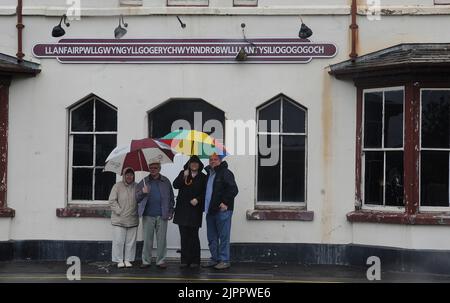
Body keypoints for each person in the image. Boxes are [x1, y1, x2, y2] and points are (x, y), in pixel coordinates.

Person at [135, 161, 175, 269]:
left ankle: (160, 261)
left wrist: (171, 211)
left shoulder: (165, 181)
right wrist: (143, 192)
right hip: (148, 215)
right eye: (151, 167)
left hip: (162, 215)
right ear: (149, 169)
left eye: (155, 167)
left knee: (162, 240)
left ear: (159, 168)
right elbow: (136, 198)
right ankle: (146, 261)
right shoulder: (144, 182)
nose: (153, 169)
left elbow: (171, 198)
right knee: (147, 240)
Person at [202, 153, 239, 270]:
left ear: (220, 160)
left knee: (223, 237)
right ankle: (215, 259)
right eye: (210, 159)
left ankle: (224, 260)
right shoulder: (209, 174)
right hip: (210, 210)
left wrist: (225, 203)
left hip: (222, 211)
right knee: (212, 237)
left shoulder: (226, 173)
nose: (212, 161)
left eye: (215, 159)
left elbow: (233, 189)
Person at [173, 155, 207, 269]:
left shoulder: (203, 177)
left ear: (199, 165)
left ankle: (195, 261)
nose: (194, 165)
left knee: (193, 236)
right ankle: (184, 260)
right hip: (182, 210)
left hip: (195, 210)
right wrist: (183, 177)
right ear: (189, 164)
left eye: (196, 163)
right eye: (192, 163)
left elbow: (205, 192)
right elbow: (175, 185)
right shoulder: (183, 173)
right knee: (184, 236)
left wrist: (198, 199)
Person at [108, 167, 138, 269]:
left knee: (130, 242)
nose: (129, 176)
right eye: (127, 174)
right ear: (124, 175)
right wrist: (119, 211)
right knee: (118, 241)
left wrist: (144, 192)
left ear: (133, 176)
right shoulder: (117, 186)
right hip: (119, 219)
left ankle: (128, 260)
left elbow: (141, 199)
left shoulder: (137, 186)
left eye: (131, 174)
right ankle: (119, 260)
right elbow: (112, 201)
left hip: (132, 218)